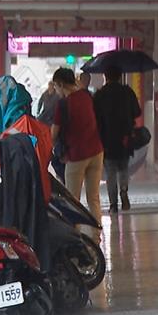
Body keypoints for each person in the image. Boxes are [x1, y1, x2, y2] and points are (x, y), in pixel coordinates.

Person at [51, 68, 104, 233]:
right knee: (93, 197)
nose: (56, 91)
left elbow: (53, 133)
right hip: (96, 152)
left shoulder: (64, 104)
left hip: (77, 156)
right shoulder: (86, 96)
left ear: (60, 84)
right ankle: (96, 236)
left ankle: (75, 236)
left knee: (72, 200)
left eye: (56, 87)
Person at [93, 65, 141, 213]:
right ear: (120, 76)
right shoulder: (127, 92)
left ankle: (113, 204)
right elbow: (137, 112)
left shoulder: (100, 95)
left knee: (111, 172)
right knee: (124, 168)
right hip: (125, 138)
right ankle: (124, 192)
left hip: (106, 140)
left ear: (105, 77)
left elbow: (94, 118)